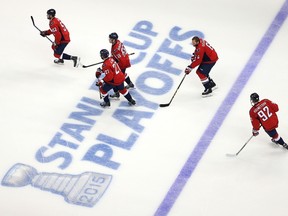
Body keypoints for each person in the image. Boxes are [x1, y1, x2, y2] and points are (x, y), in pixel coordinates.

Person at [108, 32, 135, 99]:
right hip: (125, 59)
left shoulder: (116, 50)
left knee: (115, 78)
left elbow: (120, 59)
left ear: (114, 40)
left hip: (123, 63)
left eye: (110, 39)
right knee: (122, 74)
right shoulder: (118, 42)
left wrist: (113, 63)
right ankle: (130, 84)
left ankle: (117, 93)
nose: (109, 39)